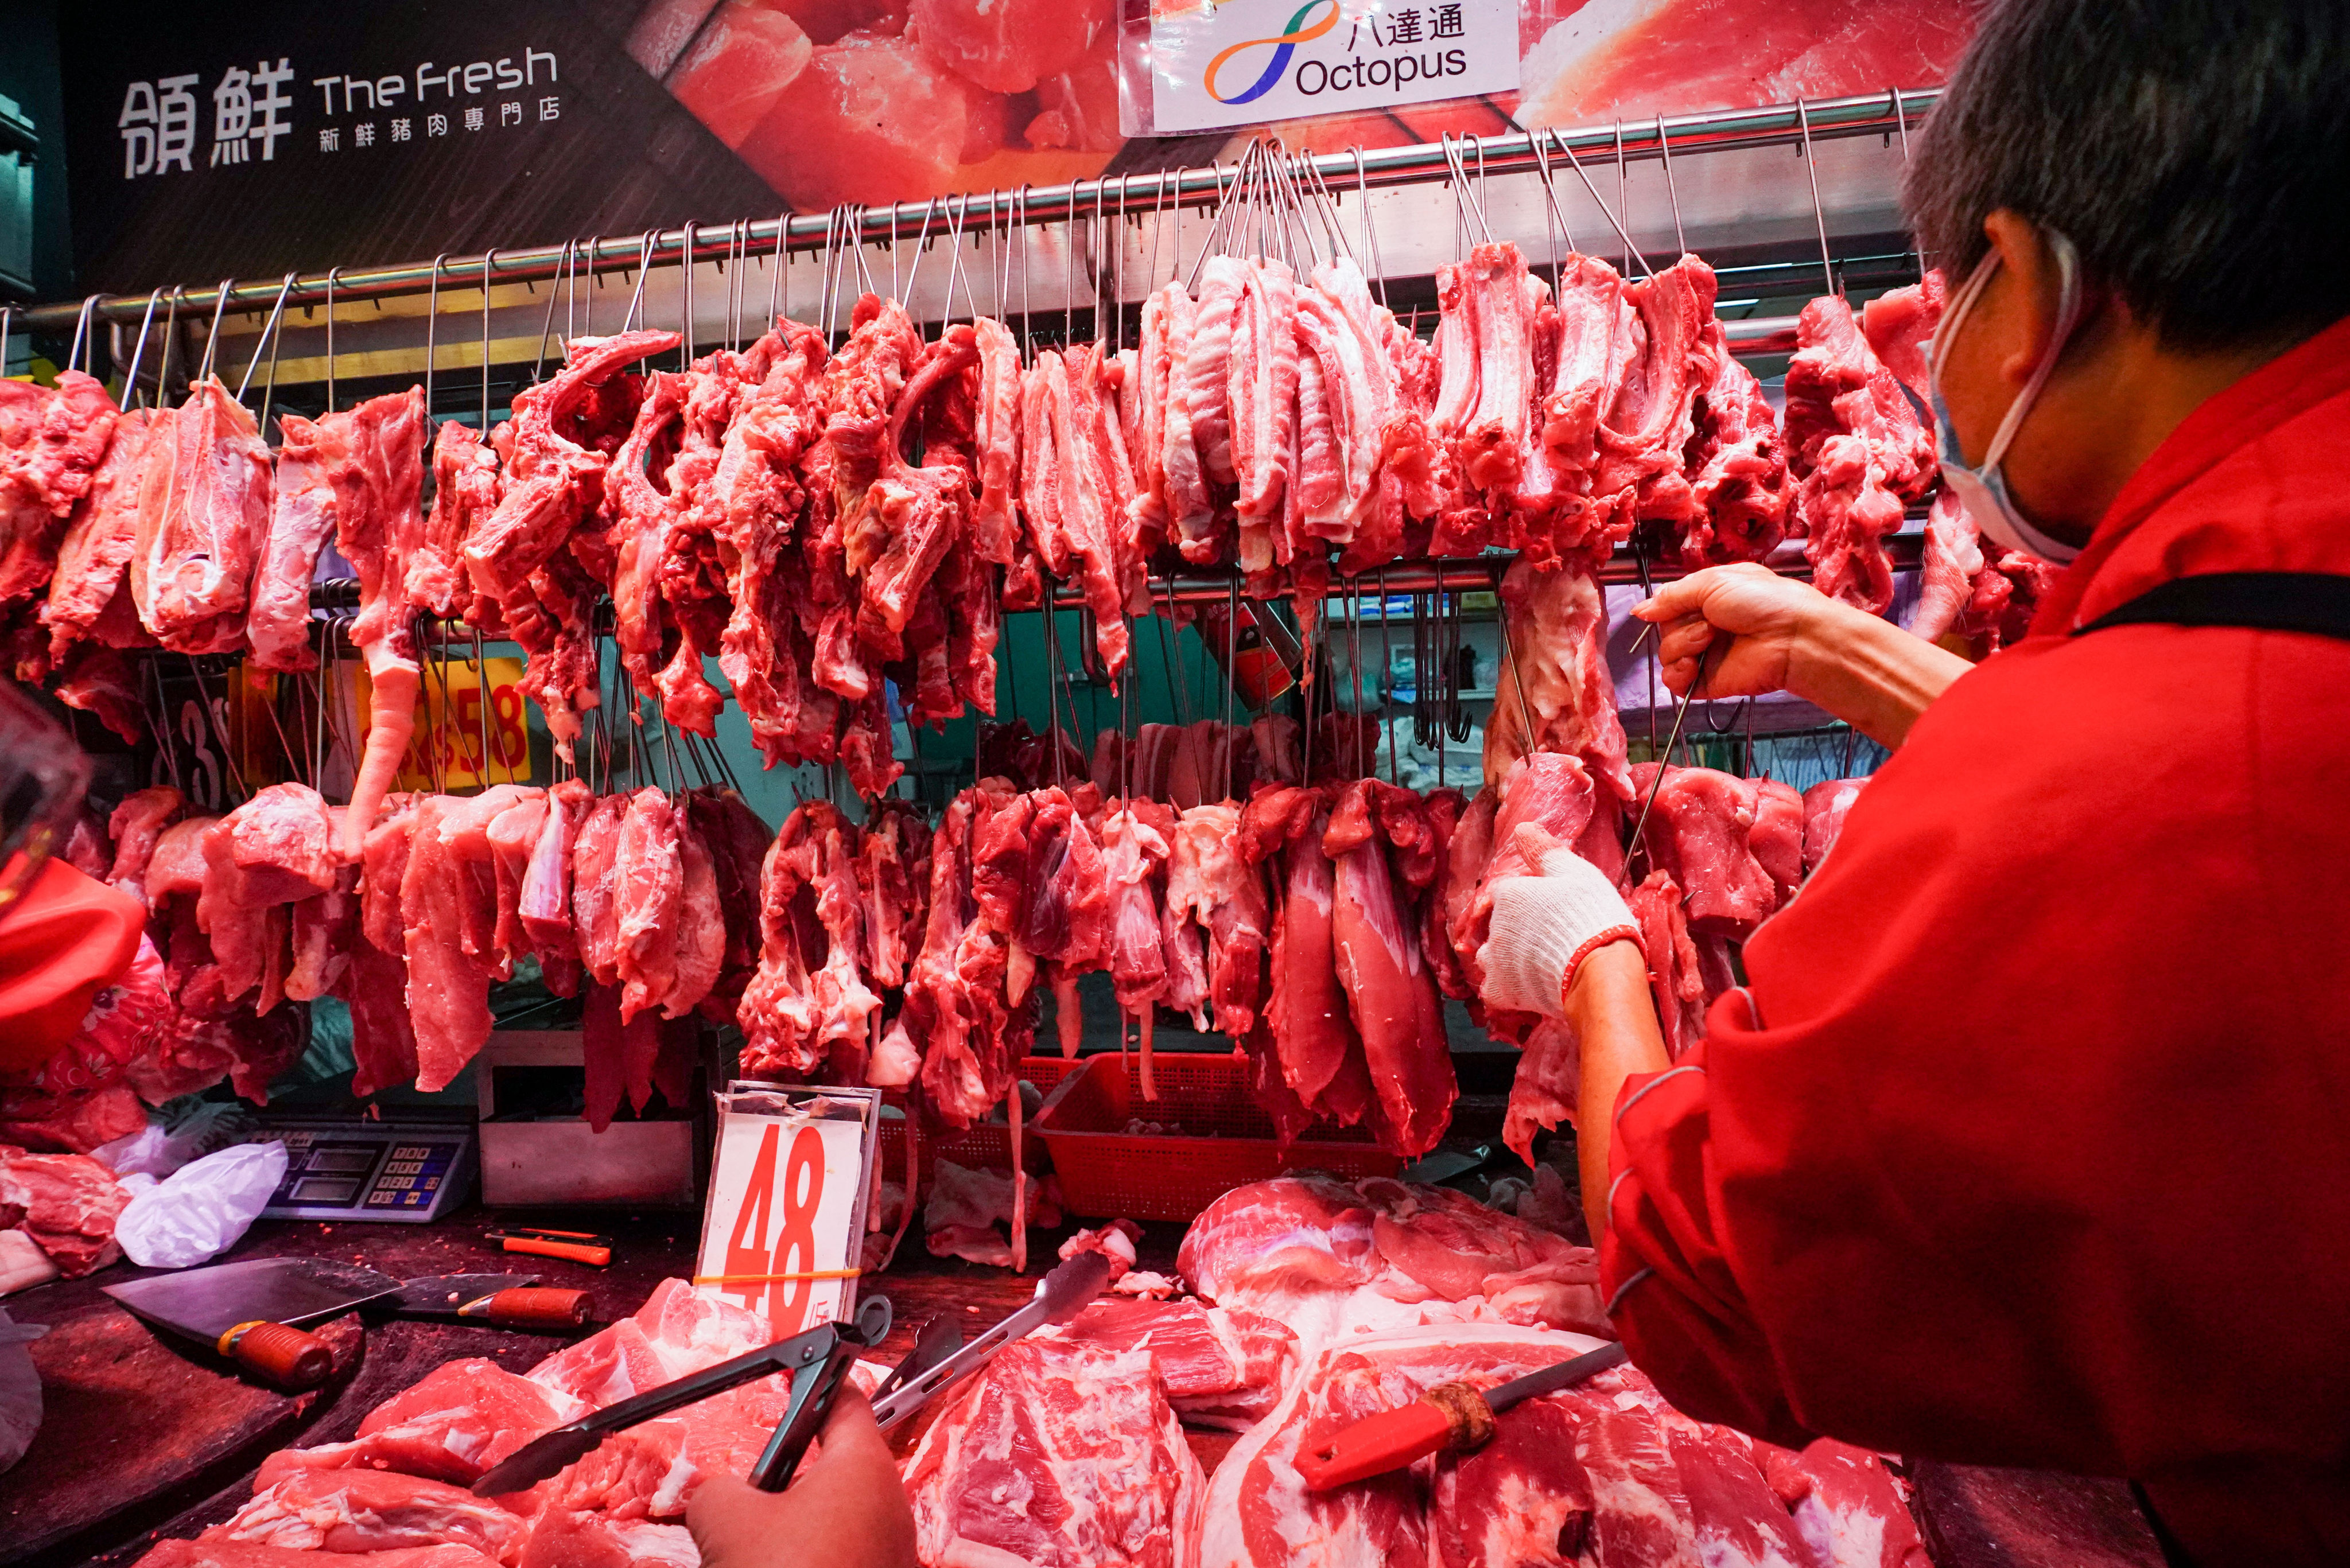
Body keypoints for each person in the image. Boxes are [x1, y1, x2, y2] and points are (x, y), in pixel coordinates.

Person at [1480, 1, 2350, 1563]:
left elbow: (1694, 1277)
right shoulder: (2250, 662)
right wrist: (1837, 646)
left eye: (1942, 301)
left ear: (2032, 289)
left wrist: (1597, 961)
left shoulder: (2122, 773)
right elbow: (2226, 763)